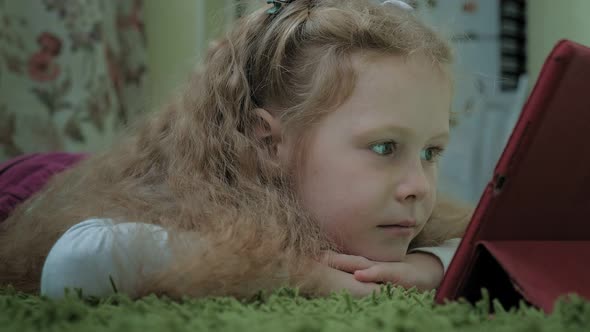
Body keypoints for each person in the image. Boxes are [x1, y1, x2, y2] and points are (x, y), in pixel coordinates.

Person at [0, 0, 472, 300]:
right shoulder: (202, 202)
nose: (417, 186)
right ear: (268, 143)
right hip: (33, 185)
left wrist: (427, 267)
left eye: (431, 152)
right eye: (385, 147)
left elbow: (501, 245)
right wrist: (309, 277)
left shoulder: (395, 208)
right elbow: (78, 261)